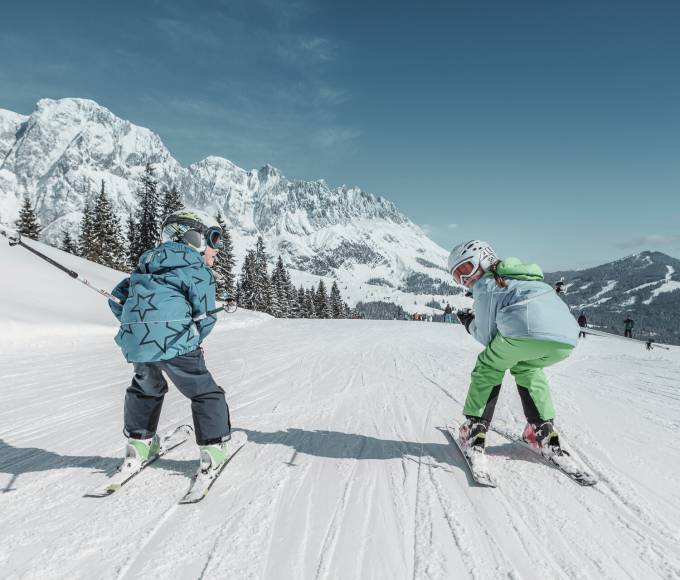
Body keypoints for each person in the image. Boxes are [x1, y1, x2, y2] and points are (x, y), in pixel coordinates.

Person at [108, 209, 233, 476]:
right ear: (195, 238)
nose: (216, 250)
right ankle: (212, 448)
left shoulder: (146, 265)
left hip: (137, 343)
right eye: (213, 240)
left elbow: (117, 298)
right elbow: (205, 316)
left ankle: (139, 445)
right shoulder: (196, 269)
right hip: (176, 340)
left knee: (145, 388)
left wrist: (139, 328)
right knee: (204, 391)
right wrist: (194, 338)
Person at [448, 240, 579, 461]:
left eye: (465, 269)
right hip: (565, 340)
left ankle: (474, 430)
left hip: (524, 332)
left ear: (484, 259)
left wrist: (469, 322)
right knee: (527, 368)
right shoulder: (526, 277)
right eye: (457, 276)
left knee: (489, 364)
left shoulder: (486, 285)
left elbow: (488, 337)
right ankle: (542, 431)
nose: (464, 279)